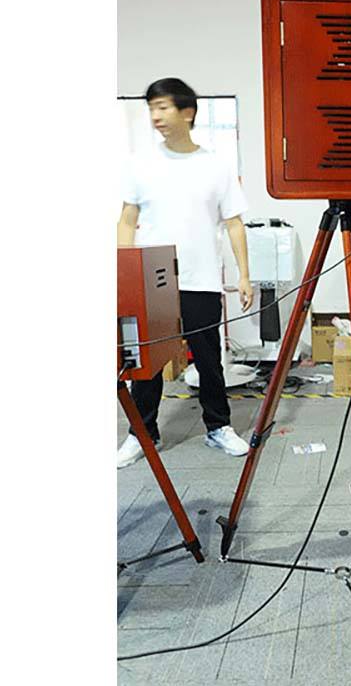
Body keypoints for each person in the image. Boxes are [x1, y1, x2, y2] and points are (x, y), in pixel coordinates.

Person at [117, 78, 254, 469]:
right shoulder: (140, 164)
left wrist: (244, 275)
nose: (156, 116)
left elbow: (234, 224)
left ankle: (218, 426)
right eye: (151, 108)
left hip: (201, 278)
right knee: (145, 364)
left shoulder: (215, 166)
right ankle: (142, 433)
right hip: (150, 283)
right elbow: (127, 220)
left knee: (209, 359)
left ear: (187, 112)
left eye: (163, 107)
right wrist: (124, 275)